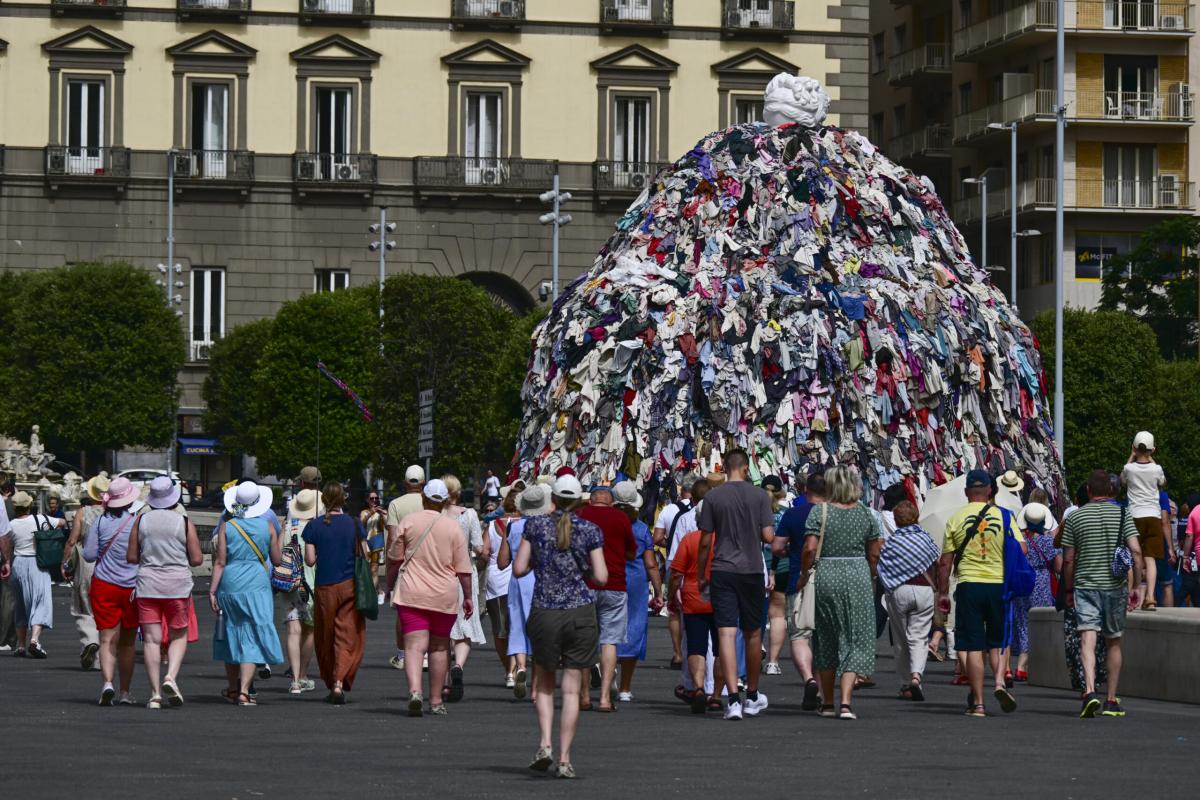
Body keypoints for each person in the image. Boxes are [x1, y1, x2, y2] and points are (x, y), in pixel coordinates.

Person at [513, 474, 607, 780]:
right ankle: (565, 759)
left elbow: (518, 569)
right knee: (571, 689)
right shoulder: (590, 530)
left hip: (545, 610)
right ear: (579, 500)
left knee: (543, 683)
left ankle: (545, 744)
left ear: (552, 498)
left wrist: (538, 566)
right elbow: (602, 577)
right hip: (580, 612)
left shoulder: (536, 526)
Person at [935, 469, 1025, 718]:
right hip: (998, 585)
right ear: (989, 491)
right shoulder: (1004, 516)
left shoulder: (955, 518)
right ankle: (999, 682)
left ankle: (978, 703)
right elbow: (1023, 550)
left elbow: (945, 562)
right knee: (998, 642)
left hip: (968, 585)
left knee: (974, 645)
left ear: (966, 493)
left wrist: (943, 593)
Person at [696, 449, 774, 720]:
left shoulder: (713, 497)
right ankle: (752, 694)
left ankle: (732, 699)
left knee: (726, 634)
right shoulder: (760, 496)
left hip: (722, 569)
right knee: (753, 634)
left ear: (726, 468)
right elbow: (767, 535)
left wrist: (700, 572)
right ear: (746, 467)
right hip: (751, 569)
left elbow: (705, 540)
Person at [800, 466, 882, 720]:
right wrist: (870, 574)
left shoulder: (820, 512)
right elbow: (875, 552)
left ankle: (827, 702)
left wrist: (804, 575)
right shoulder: (866, 514)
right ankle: (846, 702)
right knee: (855, 637)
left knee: (826, 637)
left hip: (827, 573)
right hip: (857, 573)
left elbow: (809, 550)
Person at [1062, 469, 1145, 717]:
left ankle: (1088, 691)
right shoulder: (1123, 513)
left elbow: (1067, 560)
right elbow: (1136, 552)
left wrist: (1068, 589)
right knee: (1113, 641)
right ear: (1110, 490)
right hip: (1115, 587)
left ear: (1088, 491)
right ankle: (1110, 699)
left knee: (1087, 639)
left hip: (1085, 586)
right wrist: (1136, 586)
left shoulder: (1075, 518)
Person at [388, 478, 472, 717]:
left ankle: (415, 691)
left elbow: (395, 559)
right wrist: (468, 597)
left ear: (423, 498)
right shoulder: (453, 527)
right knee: (439, 647)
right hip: (443, 595)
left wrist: (390, 585)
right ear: (445, 501)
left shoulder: (409, 522)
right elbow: (463, 569)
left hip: (412, 592)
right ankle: (435, 700)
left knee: (414, 646)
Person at [126, 477, 202, 709]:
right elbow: (197, 559)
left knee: (151, 639)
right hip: (177, 585)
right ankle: (170, 676)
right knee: (178, 635)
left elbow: (131, 557)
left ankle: (155, 694)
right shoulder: (184, 521)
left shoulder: (141, 521)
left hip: (148, 584)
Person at [209, 480, 284, 707]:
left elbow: (220, 562)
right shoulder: (268, 527)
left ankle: (232, 687)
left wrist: (212, 591)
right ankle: (244, 691)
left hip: (230, 582)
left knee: (231, 632)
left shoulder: (227, 526)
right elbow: (278, 560)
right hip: (256, 582)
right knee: (252, 634)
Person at [303, 482, 368, 704]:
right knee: (347, 635)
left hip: (325, 587)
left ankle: (332, 679)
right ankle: (340, 681)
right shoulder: (354, 524)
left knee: (326, 636)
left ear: (324, 501)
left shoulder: (314, 526)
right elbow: (365, 554)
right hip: (349, 584)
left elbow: (310, 561)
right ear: (343, 500)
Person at [82, 476, 142, 705]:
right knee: (127, 643)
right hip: (131, 587)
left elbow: (88, 554)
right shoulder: (137, 521)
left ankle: (107, 683)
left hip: (104, 584)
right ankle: (125, 693)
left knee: (107, 639)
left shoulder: (99, 522)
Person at [576, 485, 636, 713]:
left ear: (590, 501)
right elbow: (631, 551)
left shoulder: (581, 515)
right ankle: (604, 698)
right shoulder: (620, 518)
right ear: (611, 502)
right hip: (615, 584)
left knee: (584, 640)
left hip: (584, 584)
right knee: (610, 640)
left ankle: (583, 696)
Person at [770, 471, 824, 709]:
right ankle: (824, 690)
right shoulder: (836, 513)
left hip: (799, 579)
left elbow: (776, 547)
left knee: (800, 635)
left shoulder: (792, 514)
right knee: (825, 639)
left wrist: (790, 549)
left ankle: (809, 679)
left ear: (805, 490)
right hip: (829, 580)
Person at [877, 500, 939, 702]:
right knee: (919, 636)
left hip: (899, 590)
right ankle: (916, 676)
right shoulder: (926, 538)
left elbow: (882, 565)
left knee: (902, 639)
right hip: (924, 590)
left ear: (896, 520)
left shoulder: (892, 541)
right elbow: (936, 561)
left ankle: (906, 683)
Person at [612, 481, 663, 702]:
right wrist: (659, 591)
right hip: (635, 583)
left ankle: (607, 670)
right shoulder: (641, 529)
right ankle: (624, 688)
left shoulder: (607, 525)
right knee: (633, 629)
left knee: (608, 626)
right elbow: (651, 564)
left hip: (611, 579)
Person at [668, 513, 723, 713]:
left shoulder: (690, 539)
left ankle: (698, 688)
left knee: (696, 647)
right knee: (721, 649)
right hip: (721, 596)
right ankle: (716, 695)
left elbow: (676, 573)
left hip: (694, 597)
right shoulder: (725, 539)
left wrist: (671, 596)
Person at [499, 483, 549, 701]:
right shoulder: (548, 526)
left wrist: (506, 538)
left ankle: (520, 667)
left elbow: (502, 562)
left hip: (517, 580)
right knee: (539, 630)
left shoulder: (513, 526)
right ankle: (536, 687)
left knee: (517, 625)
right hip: (540, 579)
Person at [0, 491, 65, 658]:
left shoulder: (11, 524)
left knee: (20, 604)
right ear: (29, 506)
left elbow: (6, 542)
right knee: (40, 601)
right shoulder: (40, 519)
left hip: (18, 563)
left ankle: (20, 645)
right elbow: (62, 522)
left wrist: (7, 562)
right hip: (37, 562)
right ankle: (34, 640)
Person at [443, 475, 486, 703]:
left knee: (444, 625)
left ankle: (446, 677)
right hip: (465, 572)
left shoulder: (437, 516)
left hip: (441, 573)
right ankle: (458, 665)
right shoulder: (469, 515)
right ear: (458, 493)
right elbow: (478, 548)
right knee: (465, 624)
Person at [60, 475, 109, 669]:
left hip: (87, 563)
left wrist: (64, 563)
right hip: (109, 564)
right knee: (104, 608)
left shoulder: (83, 512)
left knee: (83, 605)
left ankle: (90, 641)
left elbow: (72, 540)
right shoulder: (113, 513)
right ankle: (102, 657)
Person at [1011, 502, 1061, 683]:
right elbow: (1059, 567)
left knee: (1023, 623)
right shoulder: (1048, 541)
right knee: (1039, 624)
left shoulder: (1019, 540)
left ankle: (1022, 664)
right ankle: (1024, 665)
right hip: (1041, 583)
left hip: (1021, 581)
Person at [654, 472, 698, 668]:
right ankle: (693, 650)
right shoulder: (702, 510)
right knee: (694, 610)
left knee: (674, 611)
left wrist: (670, 543)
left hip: (675, 562)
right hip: (697, 564)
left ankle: (677, 653)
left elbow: (657, 538)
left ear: (682, 488)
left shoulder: (669, 510)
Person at [386, 464, 427, 670]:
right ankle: (425, 653)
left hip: (405, 563)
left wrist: (390, 567)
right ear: (423, 483)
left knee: (403, 611)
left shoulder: (395, 504)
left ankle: (402, 654)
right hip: (429, 561)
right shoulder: (429, 502)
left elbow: (393, 538)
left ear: (405, 483)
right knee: (427, 610)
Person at [279, 488, 319, 695]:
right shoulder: (316, 528)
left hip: (290, 584)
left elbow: (277, 556)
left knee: (293, 631)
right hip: (311, 584)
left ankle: (294, 679)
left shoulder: (288, 528)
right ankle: (303, 675)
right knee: (309, 630)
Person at [1121, 432, 1166, 610]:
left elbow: (1122, 481)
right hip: (1153, 516)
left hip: (1133, 516)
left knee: (1132, 558)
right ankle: (1150, 598)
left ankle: (1132, 595)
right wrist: (1152, 459)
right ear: (1152, 449)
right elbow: (1163, 482)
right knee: (1150, 559)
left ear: (1134, 448)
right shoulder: (1157, 469)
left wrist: (1131, 456)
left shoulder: (1129, 468)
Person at [485, 481, 523, 686]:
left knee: (499, 629)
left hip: (496, 580)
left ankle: (508, 670)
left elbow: (484, 551)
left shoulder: (493, 525)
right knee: (518, 625)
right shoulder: (526, 523)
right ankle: (518, 666)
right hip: (520, 578)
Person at [761, 474, 788, 676]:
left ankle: (756, 649)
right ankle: (773, 662)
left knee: (753, 613)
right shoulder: (787, 514)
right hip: (782, 567)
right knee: (778, 614)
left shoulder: (752, 512)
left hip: (755, 566)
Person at [360, 488, 387, 602]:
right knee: (368, 569)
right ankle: (379, 590)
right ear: (367, 500)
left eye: (376, 498)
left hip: (377, 540)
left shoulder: (381, 511)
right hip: (366, 541)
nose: (375, 500)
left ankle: (370, 595)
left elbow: (388, 525)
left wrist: (384, 514)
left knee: (374, 569)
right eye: (372, 498)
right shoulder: (364, 512)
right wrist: (372, 512)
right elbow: (362, 523)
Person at [0, 473, 17, 652]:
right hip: (4, 554)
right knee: (6, 598)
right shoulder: (3, 503)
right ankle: (4, 638)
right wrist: (6, 560)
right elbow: (3, 534)